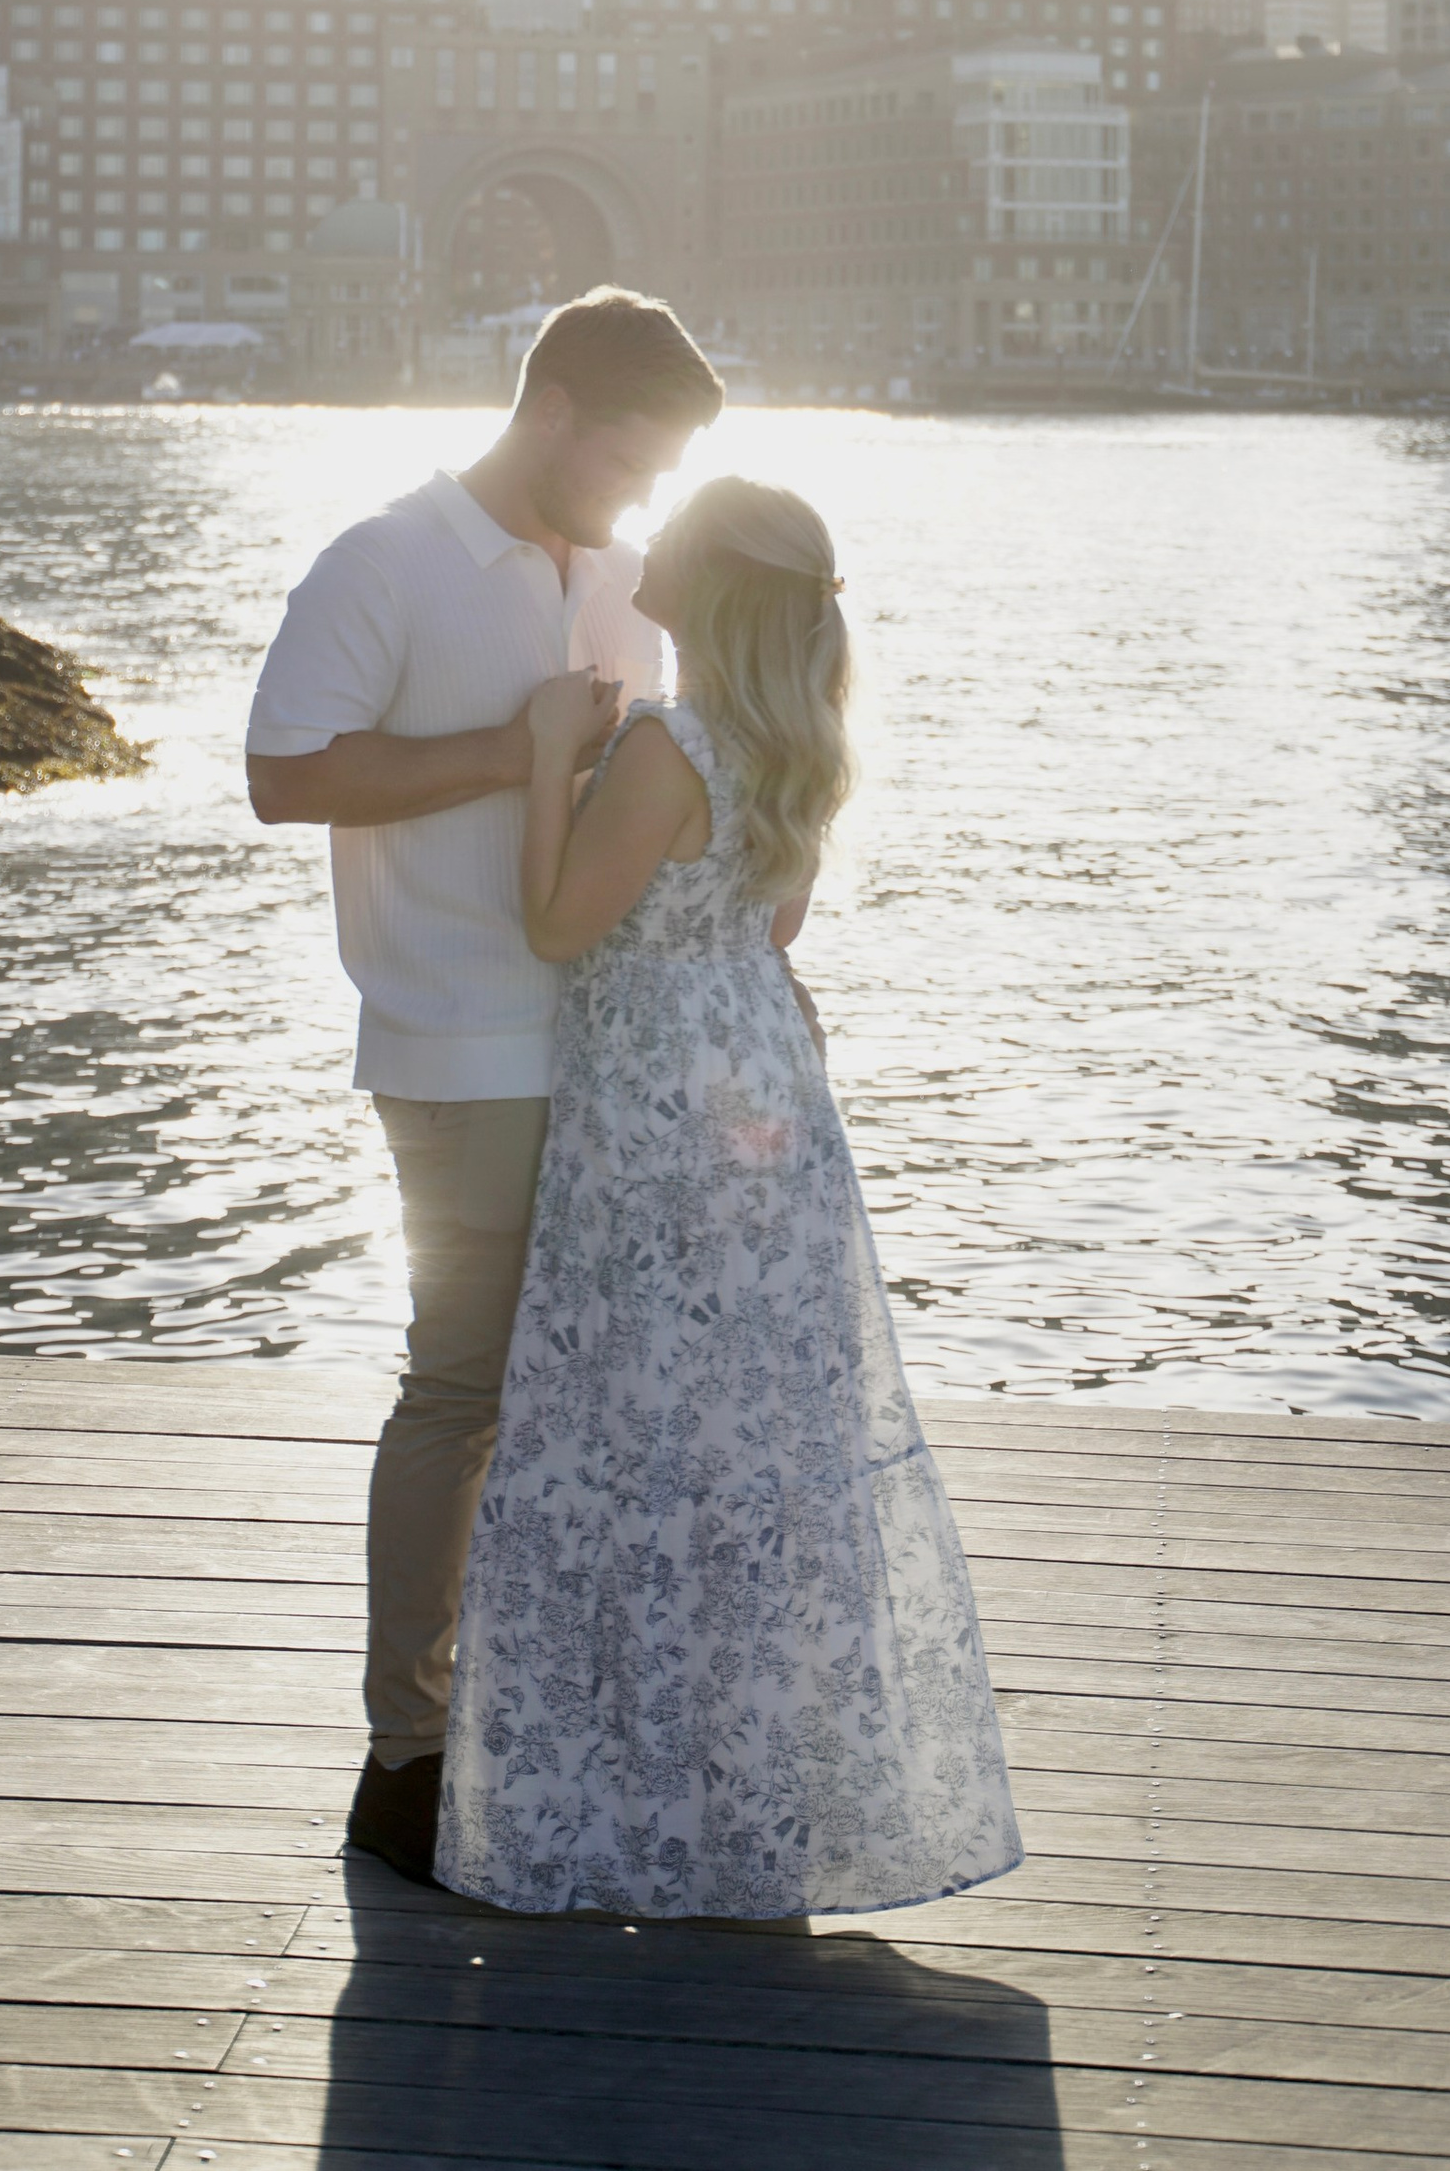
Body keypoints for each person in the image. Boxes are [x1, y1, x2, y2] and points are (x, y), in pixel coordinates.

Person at [436, 475, 1021, 1920]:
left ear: (697, 585)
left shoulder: (666, 744)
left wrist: (540, 757)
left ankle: (633, 1807)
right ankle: (762, 1804)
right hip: (767, 1095)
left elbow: (560, 925)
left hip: (656, 1125)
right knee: (760, 1451)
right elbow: (771, 928)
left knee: (630, 1432)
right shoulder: (796, 746)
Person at [245, 286, 724, 1882]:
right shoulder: (387, 560)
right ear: (559, 408)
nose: (642, 494)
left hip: (610, 1044)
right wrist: (510, 750)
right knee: (459, 1389)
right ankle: (405, 1755)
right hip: (455, 1040)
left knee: (574, 1400)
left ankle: (529, 1727)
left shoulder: (630, 583)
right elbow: (284, 772)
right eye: (632, 459)